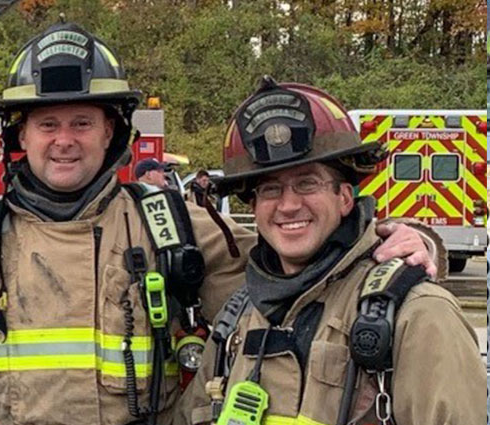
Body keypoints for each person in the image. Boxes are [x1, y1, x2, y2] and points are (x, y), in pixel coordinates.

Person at [0, 24, 438, 425]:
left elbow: (303, 256)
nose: (63, 139)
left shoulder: (172, 227)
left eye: (81, 122)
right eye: (47, 123)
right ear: (21, 137)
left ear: (112, 133)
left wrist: (406, 244)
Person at [176, 77, 482, 425]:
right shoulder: (238, 316)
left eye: (307, 183)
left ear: (345, 197)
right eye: (270, 189)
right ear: (255, 207)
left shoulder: (418, 315)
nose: (288, 205)